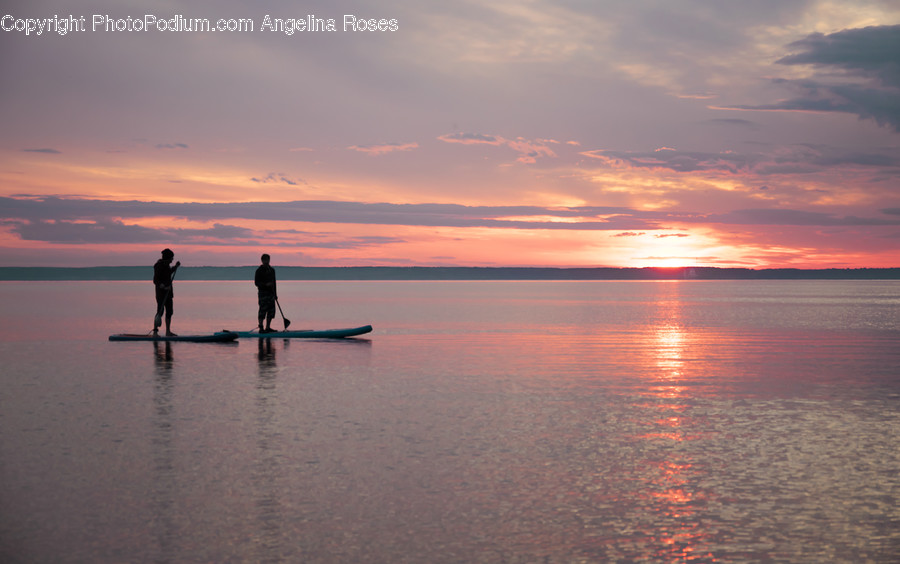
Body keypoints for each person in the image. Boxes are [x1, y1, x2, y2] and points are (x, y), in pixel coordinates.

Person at [153, 249, 180, 335]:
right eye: (171, 258)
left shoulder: (167, 265)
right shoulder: (159, 266)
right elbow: (155, 280)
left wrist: (175, 267)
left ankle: (168, 331)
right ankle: (155, 332)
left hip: (168, 293)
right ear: (167, 258)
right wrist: (163, 286)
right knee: (160, 312)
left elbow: (169, 272)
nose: (172, 260)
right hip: (161, 294)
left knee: (169, 311)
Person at [255, 253, 277, 333]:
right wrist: (265, 285)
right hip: (263, 294)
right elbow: (256, 283)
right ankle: (261, 327)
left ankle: (268, 327)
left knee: (271, 311)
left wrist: (275, 294)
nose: (267, 261)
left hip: (271, 294)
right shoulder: (259, 270)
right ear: (262, 260)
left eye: (268, 260)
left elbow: (274, 283)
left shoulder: (272, 270)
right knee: (262, 310)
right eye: (265, 260)